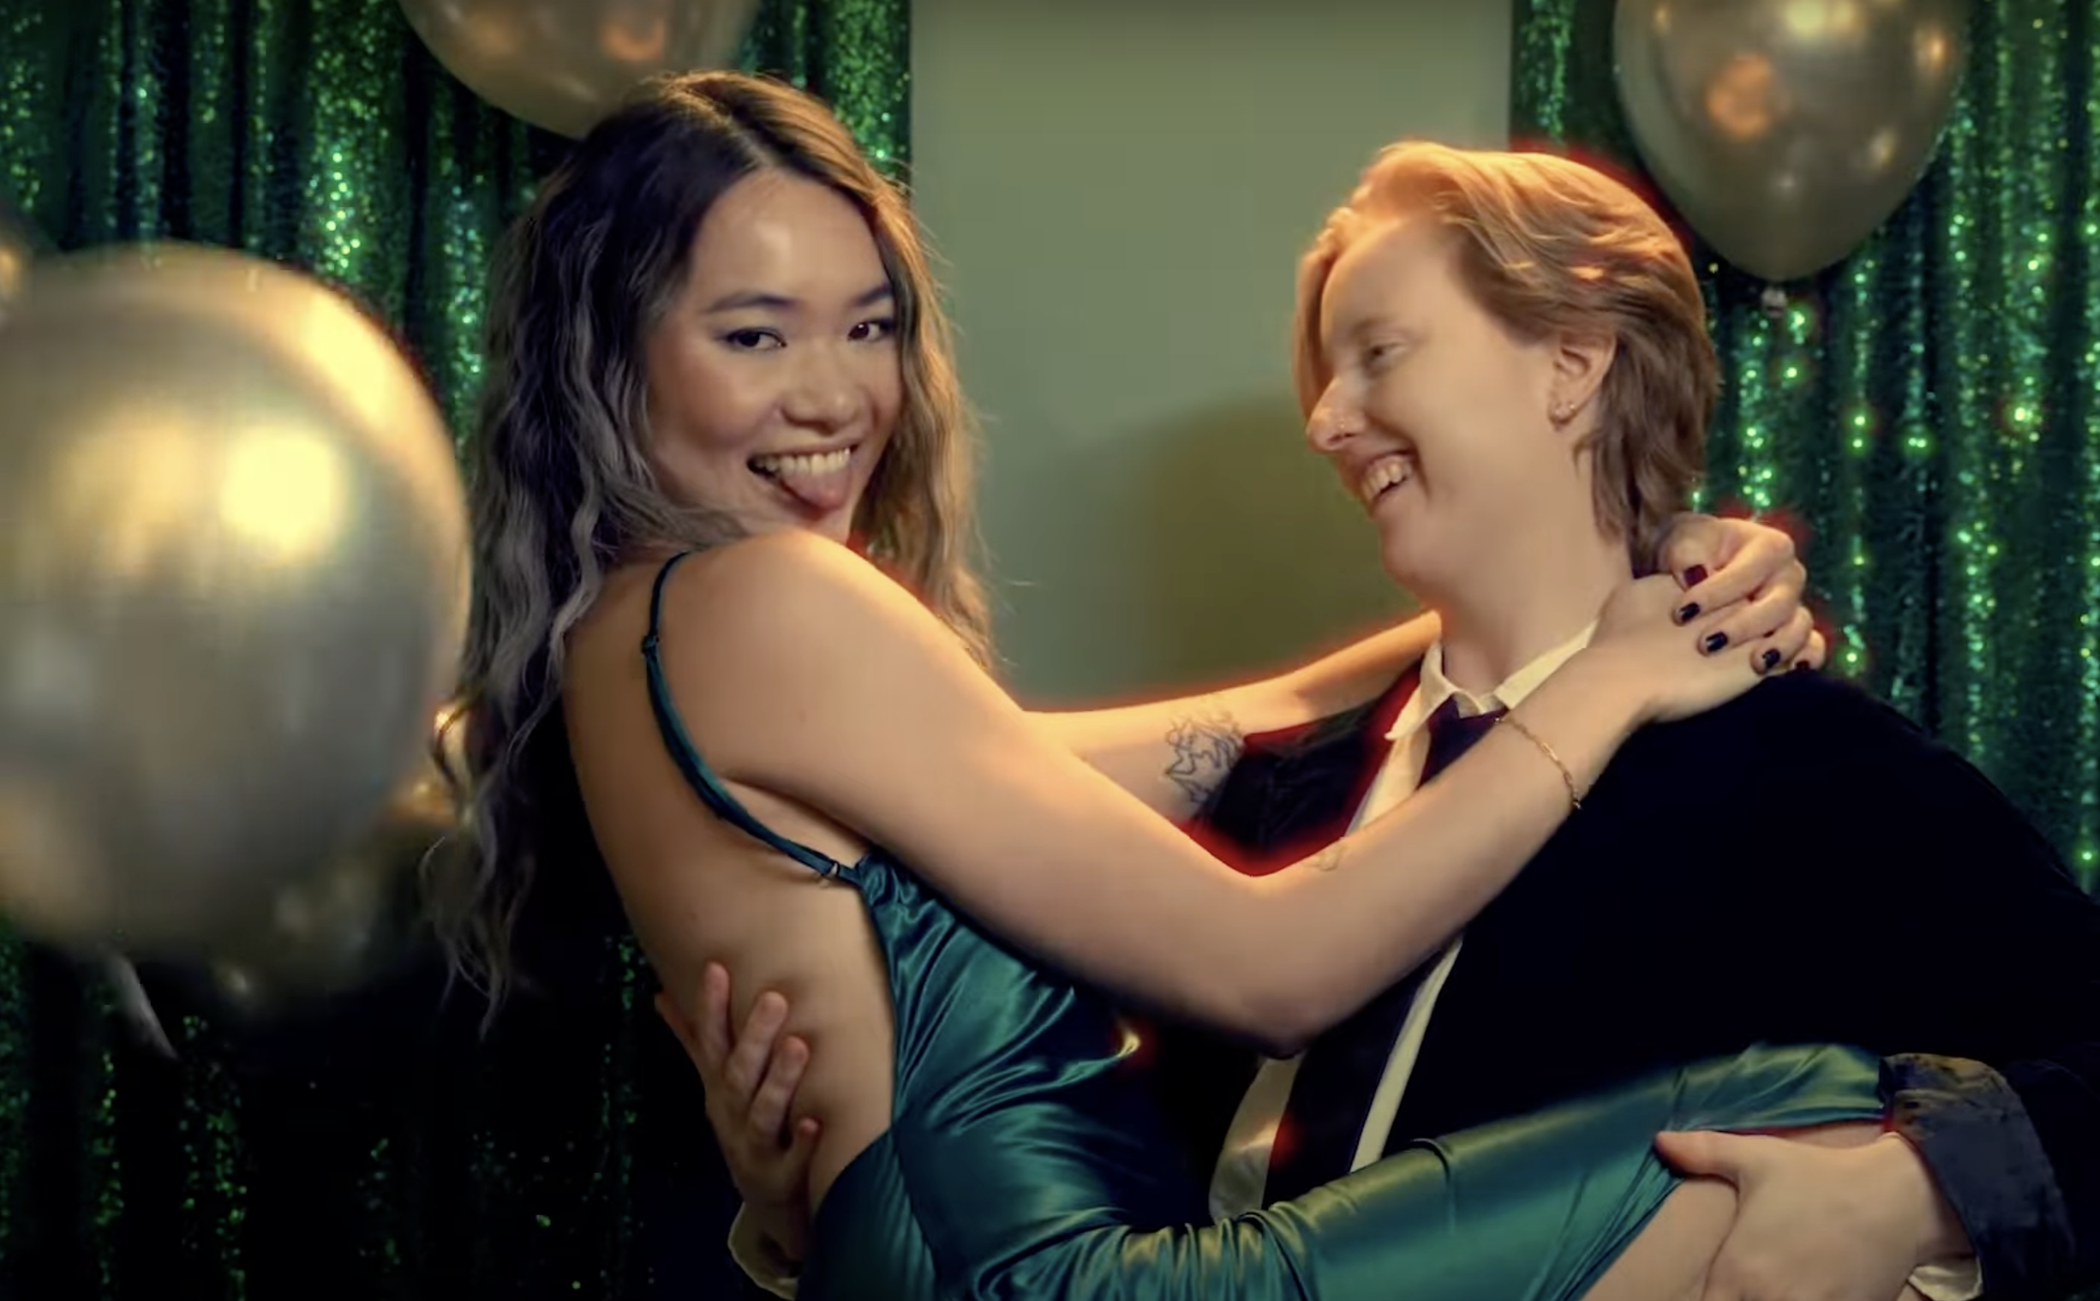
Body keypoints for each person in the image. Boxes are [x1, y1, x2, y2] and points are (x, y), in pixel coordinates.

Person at [687, 139, 2100, 1299]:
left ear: (1571, 366)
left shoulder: (1796, 764)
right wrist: (800, 1209)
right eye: (1325, 374)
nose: (1328, 420)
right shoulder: (1273, 798)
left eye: (1379, 353)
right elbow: (1093, 1200)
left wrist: (1909, 1193)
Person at [433, 70, 1860, 1301]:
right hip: (1076, 1280)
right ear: (611, 354)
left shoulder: (630, 637)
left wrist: (1636, 581)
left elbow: (1222, 731)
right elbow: (1275, 974)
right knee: (1829, 1116)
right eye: (755, 335)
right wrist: (1609, 681)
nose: (835, 397)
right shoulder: (770, 599)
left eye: (868, 327)